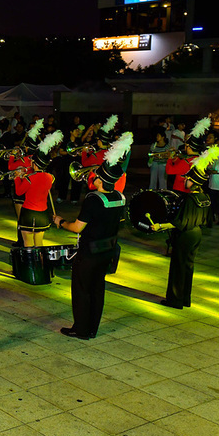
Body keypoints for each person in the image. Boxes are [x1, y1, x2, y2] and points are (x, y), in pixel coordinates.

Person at [52, 132, 132, 340]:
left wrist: (61, 222)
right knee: (98, 290)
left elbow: (78, 227)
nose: (93, 175)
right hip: (108, 251)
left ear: (100, 179)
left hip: (89, 252)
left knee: (81, 291)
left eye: (96, 173)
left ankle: (81, 328)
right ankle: (92, 328)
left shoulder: (93, 199)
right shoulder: (120, 198)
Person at [150, 146, 218, 309]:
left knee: (178, 268)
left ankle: (175, 300)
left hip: (186, 234)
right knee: (188, 266)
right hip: (197, 234)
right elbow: (208, 219)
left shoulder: (189, 199)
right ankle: (185, 298)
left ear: (193, 182)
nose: (184, 180)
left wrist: (160, 226)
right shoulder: (205, 197)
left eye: (186, 178)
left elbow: (179, 222)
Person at [15, 131, 62, 247]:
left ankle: (31, 265)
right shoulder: (51, 177)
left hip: (28, 213)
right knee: (39, 244)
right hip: (42, 214)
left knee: (28, 243)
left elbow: (19, 192)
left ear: (35, 164)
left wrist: (17, 177)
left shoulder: (30, 178)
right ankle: (41, 264)